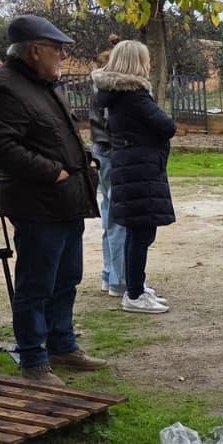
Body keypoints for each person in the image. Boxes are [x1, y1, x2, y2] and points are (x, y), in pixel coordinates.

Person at [0, 15, 107, 384]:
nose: (63, 56)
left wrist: (84, 159)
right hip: (38, 204)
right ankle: (34, 360)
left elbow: (58, 132)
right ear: (35, 51)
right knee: (36, 284)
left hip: (67, 201)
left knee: (67, 277)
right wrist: (52, 171)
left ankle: (62, 345)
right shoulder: (5, 86)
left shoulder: (46, 84)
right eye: (57, 49)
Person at [93, 39, 176, 315]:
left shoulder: (115, 95)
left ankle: (135, 285)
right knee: (141, 231)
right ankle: (134, 292)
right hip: (138, 169)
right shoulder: (134, 96)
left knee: (136, 231)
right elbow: (166, 126)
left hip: (131, 166)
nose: (149, 65)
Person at [88, 36, 126, 297]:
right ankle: (119, 280)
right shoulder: (110, 90)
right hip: (112, 152)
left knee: (109, 216)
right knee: (118, 220)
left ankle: (108, 272)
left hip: (101, 150)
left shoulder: (97, 87)